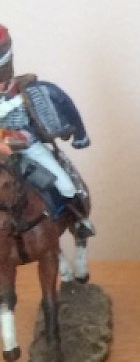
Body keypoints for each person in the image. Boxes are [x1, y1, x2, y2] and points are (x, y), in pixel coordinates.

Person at [0, 22, 93, 236]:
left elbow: (32, 129)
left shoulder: (27, 94)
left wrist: (9, 139)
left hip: (30, 149)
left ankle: (78, 222)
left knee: (66, 186)